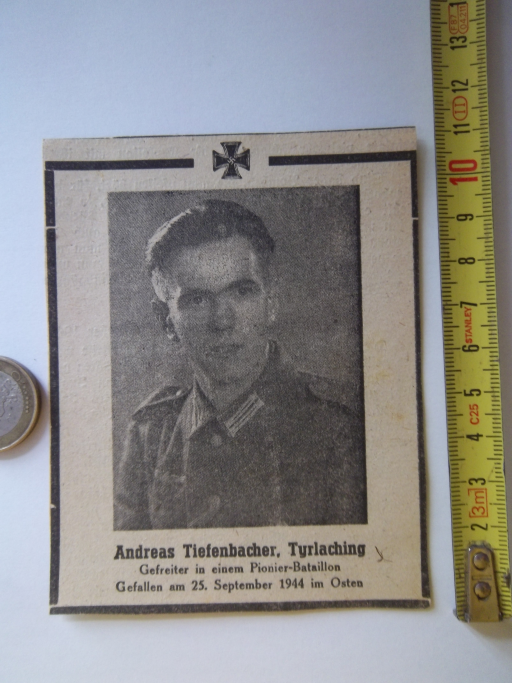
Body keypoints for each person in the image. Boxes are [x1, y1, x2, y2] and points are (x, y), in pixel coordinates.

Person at [114, 199, 366, 530]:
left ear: (271, 302)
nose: (222, 321)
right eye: (198, 300)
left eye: (242, 292)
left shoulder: (342, 426)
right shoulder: (150, 434)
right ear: (166, 321)